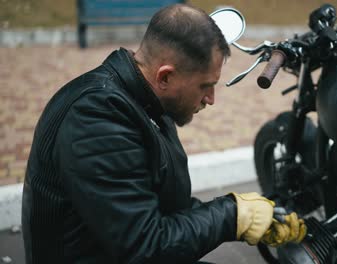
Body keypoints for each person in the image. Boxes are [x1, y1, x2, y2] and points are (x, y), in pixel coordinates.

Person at [21, 4, 306, 263]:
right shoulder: (96, 119)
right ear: (165, 76)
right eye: (205, 86)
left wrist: (242, 213)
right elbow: (146, 246)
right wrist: (232, 217)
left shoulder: (147, 101)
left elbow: (163, 208)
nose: (211, 99)